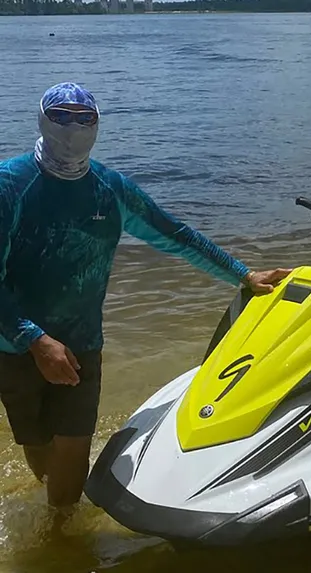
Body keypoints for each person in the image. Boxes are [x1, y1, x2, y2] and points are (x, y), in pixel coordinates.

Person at [0, 82, 292, 509]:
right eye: (62, 116)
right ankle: (53, 506)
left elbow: (175, 235)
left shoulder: (109, 188)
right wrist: (35, 340)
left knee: (73, 449)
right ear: (42, 121)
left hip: (82, 343)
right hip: (15, 346)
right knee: (38, 443)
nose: (74, 127)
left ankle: (61, 534)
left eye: (85, 118)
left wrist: (243, 275)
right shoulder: (11, 184)